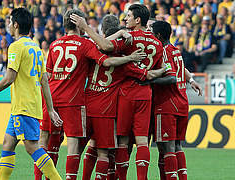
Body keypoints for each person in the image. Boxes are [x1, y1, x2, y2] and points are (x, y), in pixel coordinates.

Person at [37, 9, 146, 180]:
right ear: (80, 24)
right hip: (80, 102)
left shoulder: (54, 44)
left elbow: (47, 75)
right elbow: (107, 53)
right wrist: (130, 58)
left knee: (46, 140)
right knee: (83, 147)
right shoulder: (86, 45)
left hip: (54, 97)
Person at [71, 4, 163, 180]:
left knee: (121, 141)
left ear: (137, 20)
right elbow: (157, 71)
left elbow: (104, 46)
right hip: (145, 94)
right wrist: (153, 73)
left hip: (125, 94)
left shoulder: (129, 39)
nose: (126, 19)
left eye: (128, 16)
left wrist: (85, 27)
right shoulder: (158, 44)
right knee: (143, 141)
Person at [0, 8, 62, 180]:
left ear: (16, 25)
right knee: (8, 144)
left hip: (23, 106)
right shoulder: (35, 47)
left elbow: (10, 78)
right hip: (26, 105)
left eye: (10, 22)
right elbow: (44, 80)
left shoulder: (15, 47)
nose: (9, 25)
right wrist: (51, 109)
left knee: (32, 147)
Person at [150, 20, 202, 180]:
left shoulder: (163, 51)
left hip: (167, 104)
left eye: (152, 33)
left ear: (158, 36)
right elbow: (181, 69)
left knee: (168, 148)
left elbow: (172, 77)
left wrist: (148, 80)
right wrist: (191, 80)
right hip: (181, 101)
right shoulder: (175, 50)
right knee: (177, 146)